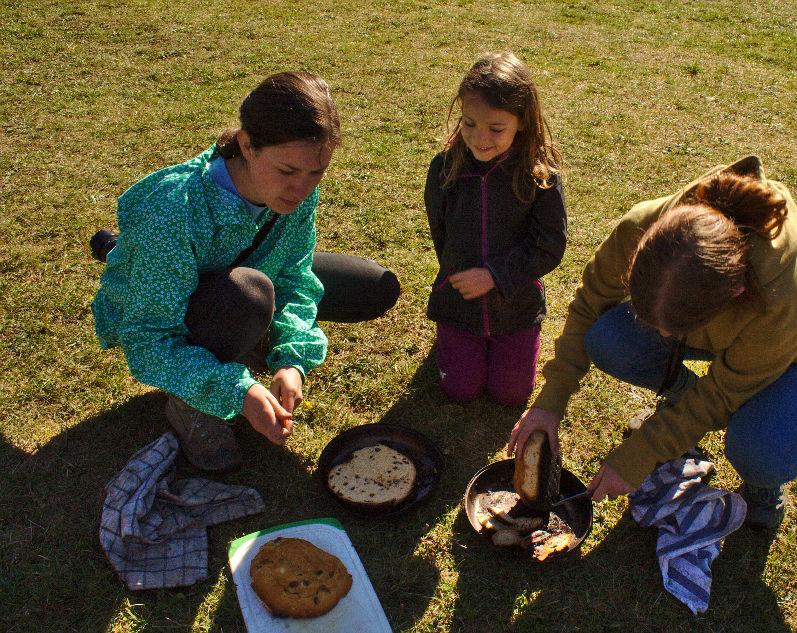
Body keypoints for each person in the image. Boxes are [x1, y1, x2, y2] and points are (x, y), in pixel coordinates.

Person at [507, 156, 797, 528]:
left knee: (759, 449)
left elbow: (722, 394)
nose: (661, 338)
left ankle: (763, 484)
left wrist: (642, 453)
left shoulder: (781, 298)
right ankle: (682, 400)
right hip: (736, 337)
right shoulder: (643, 224)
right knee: (611, 337)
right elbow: (590, 305)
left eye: (673, 330)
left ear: (734, 294)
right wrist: (551, 400)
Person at [91, 71, 400, 472]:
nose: (301, 189)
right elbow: (148, 340)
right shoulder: (173, 212)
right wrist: (237, 392)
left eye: (316, 173)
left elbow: (294, 275)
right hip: (199, 296)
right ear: (246, 145)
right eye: (288, 171)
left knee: (371, 287)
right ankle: (191, 404)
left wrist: (291, 358)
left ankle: (250, 333)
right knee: (247, 295)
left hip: (249, 277)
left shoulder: (296, 185)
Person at [424, 52, 567, 406]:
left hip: (516, 306)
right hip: (460, 303)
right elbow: (440, 233)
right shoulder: (445, 168)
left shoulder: (540, 175)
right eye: (469, 123)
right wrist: (458, 276)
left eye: (496, 128)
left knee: (511, 395)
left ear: (523, 121)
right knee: (460, 390)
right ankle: (453, 342)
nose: (479, 137)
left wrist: (495, 276)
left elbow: (550, 245)